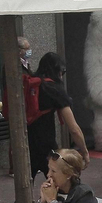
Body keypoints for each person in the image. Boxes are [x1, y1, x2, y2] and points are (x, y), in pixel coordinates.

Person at [26, 53, 87, 183]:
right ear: (57, 70)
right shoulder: (53, 89)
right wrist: (84, 151)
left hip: (26, 145)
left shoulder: (31, 84)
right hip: (46, 145)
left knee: (25, 191)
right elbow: (74, 128)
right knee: (62, 184)